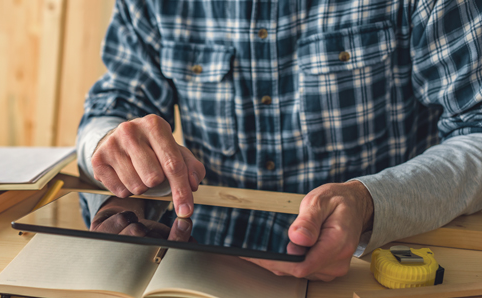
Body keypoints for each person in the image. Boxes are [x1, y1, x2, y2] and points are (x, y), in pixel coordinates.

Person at [77, 0, 482, 281]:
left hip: (373, 266)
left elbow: (476, 130)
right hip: (197, 264)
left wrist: (369, 201)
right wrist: (107, 143)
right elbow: (113, 108)